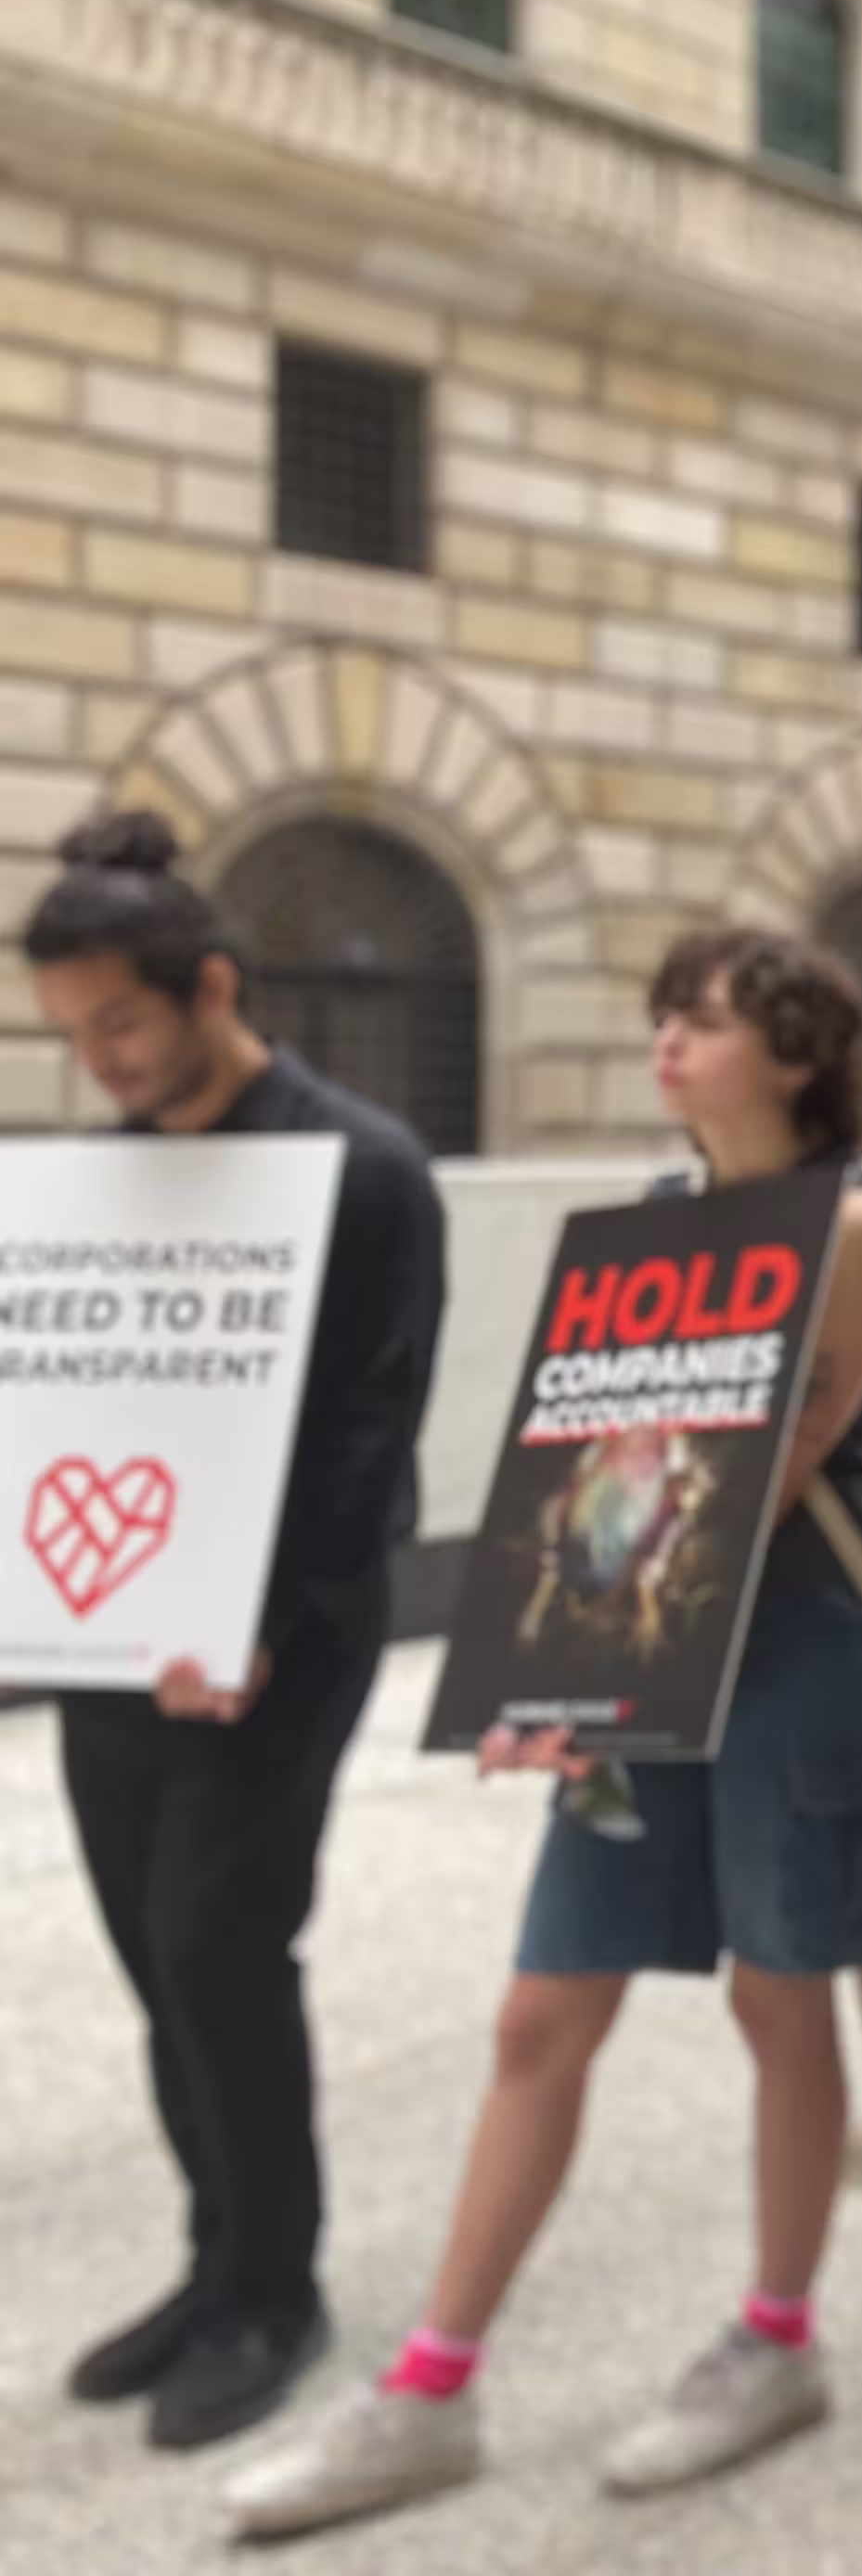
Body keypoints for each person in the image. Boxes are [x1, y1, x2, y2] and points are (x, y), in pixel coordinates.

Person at [224, 929, 862, 2537]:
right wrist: (550, 1669)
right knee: (543, 2008)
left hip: (796, 1650)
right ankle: (429, 2383)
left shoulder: (858, 1223)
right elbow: (597, 1457)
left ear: (801, 1053)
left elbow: (743, 1463)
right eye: (661, 1016)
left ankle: (777, 2334)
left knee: (778, 1992)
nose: (667, 1040)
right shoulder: (656, 1225)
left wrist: (567, 1661)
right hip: (647, 1639)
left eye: (707, 1019)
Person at [19, 814, 447, 2454]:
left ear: (211, 982)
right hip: (115, 1626)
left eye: (119, 1021)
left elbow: (364, 1430)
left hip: (281, 1638)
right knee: (149, 1950)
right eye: (70, 1034)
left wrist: (254, 1618)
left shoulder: (363, 1162)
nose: (100, 1058)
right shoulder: (105, 1170)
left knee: (219, 1944)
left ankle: (276, 2283)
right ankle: (213, 2257)